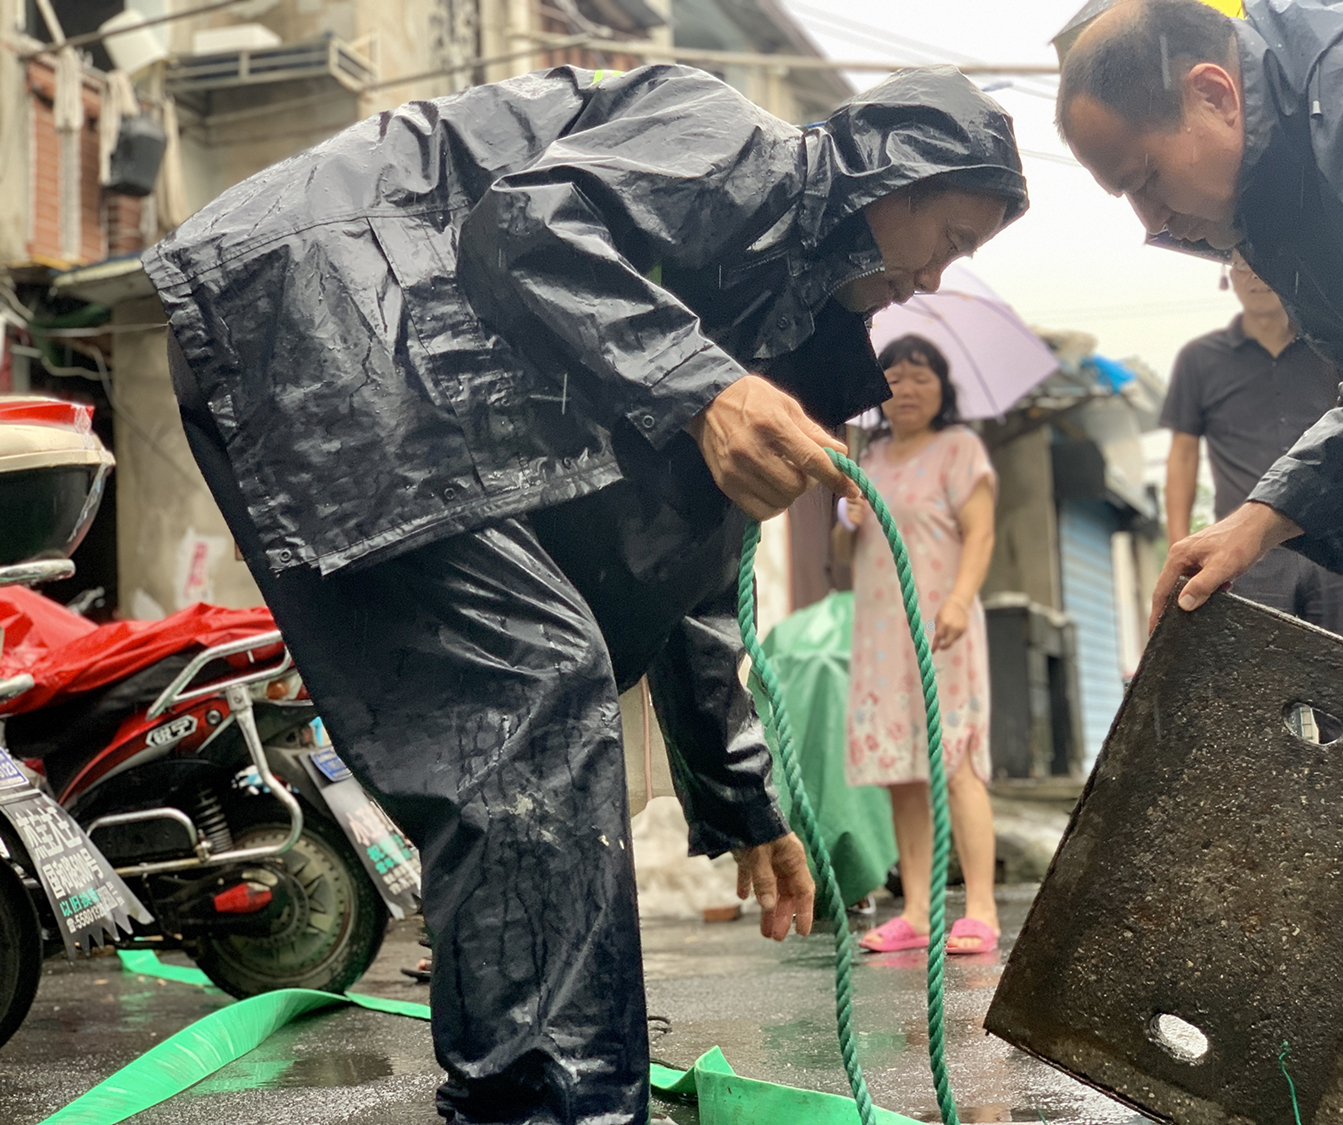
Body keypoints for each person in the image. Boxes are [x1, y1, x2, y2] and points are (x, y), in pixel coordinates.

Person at [143, 64, 1029, 1124]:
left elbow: (671, 572)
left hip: (391, 335)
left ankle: (581, 1101)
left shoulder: (768, 326)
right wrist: (708, 387)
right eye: (953, 239)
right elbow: (526, 226)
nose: (934, 280)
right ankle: (546, 1109)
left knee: (552, 691)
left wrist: (743, 799)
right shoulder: (737, 147)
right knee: (530, 689)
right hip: (329, 294)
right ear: (894, 176)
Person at [1053, 0, 1343, 1092]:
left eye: (1147, 179)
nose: (1150, 222)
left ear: (1213, 91)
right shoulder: (1283, 199)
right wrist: (1259, 520)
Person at [838, 336, 1000, 956]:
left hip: (943, 627)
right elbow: (843, 560)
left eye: (919, 377)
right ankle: (918, 910)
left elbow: (981, 535)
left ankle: (980, 908)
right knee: (901, 771)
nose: (905, 389)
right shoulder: (866, 459)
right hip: (882, 634)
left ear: (943, 387)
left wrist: (958, 598)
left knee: (955, 762)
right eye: (893, 378)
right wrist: (846, 510)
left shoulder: (959, 449)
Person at [1163, 250, 1343, 640]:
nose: (1253, 275)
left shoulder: (1332, 351)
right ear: (1227, 275)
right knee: (1256, 681)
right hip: (1243, 559)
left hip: (1330, 544)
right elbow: (1182, 458)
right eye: (1240, 264)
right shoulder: (1199, 361)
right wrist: (1178, 546)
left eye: (1259, 261)